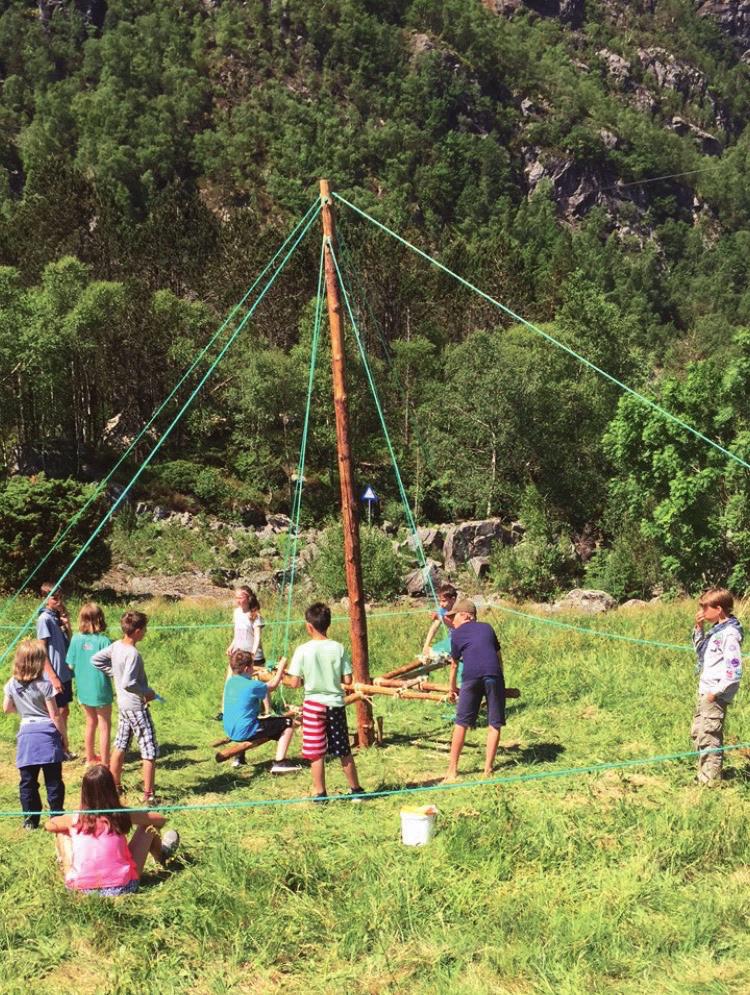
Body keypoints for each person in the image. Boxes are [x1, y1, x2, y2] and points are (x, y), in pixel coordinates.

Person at [45, 764, 179, 896]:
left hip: (78, 890)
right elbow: (159, 819)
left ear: (84, 792)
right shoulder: (120, 814)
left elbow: (50, 825)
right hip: (123, 887)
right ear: (111, 789)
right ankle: (162, 855)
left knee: (62, 832)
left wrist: (70, 826)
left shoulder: (74, 818)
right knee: (149, 826)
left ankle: (71, 870)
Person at [286, 602, 365, 801]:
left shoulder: (302, 650)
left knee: (316, 752)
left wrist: (281, 675)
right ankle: (356, 790)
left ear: (309, 626)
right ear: (328, 624)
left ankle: (320, 793)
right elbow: (347, 680)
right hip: (335, 704)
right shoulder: (338, 648)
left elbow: (294, 682)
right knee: (343, 748)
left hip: (313, 705)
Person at [92, 610, 160, 806]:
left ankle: (114, 786)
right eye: (144, 629)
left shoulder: (116, 646)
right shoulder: (132, 653)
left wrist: (114, 673)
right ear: (138, 631)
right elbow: (129, 683)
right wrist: (147, 692)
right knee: (149, 749)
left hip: (123, 705)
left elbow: (96, 660)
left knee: (121, 743)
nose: (146, 632)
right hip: (135, 706)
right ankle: (149, 796)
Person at [3, 639, 68, 830]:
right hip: (47, 733)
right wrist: (64, 736)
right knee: (53, 780)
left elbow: (6, 708)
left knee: (28, 781)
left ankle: (30, 819)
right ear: (39, 662)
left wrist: (24, 710)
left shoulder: (11, 684)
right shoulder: (45, 685)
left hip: (26, 735)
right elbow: (55, 714)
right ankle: (56, 816)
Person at [444, 599, 506, 782]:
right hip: (494, 675)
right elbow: (498, 656)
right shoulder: (487, 627)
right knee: (494, 723)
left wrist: (452, 688)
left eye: (453, 616)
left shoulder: (456, 634)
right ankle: (488, 770)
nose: (452, 621)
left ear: (465, 616)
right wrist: (499, 680)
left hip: (471, 677)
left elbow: (454, 665)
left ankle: (452, 770)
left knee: (461, 722)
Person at [691, 587, 743, 785]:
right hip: (706, 691)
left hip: (714, 694)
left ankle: (710, 781)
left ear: (718, 609)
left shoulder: (729, 634)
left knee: (710, 737)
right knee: (699, 733)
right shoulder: (717, 630)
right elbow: (701, 652)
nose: (702, 611)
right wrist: (698, 627)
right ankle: (704, 773)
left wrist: (715, 693)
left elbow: (734, 671)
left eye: (705, 608)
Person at [222, 650, 300, 773]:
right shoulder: (252, 685)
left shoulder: (231, 682)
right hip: (244, 730)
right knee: (288, 723)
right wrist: (281, 668)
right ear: (247, 668)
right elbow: (273, 685)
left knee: (256, 720)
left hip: (229, 728)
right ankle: (280, 763)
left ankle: (239, 758)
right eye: (253, 666)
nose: (254, 668)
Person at [67, 603, 113, 766]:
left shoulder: (75, 639)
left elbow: (70, 665)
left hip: (83, 688)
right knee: (104, 725)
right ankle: (106, 762)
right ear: (100, 619)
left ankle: (90, 757)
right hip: (100, 689)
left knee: (90, 721)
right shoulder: (104, 641)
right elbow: (113, 666)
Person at [36, 581, 75, 759]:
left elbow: (70, 640)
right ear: (45, 599)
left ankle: (62, 744)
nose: (59, 600)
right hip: (55, 674)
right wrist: (52, 676)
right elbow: (42, 650)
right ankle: (58, 749)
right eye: (54, 597)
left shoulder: (56, 617)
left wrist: (67, 625)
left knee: (64, 710)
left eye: (60, 596)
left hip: (64, 672)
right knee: (56, 713)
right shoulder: (44, 619)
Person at [217, 586, 264, 721]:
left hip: (252, 656)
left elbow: (257, 637)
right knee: (229, 681)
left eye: (240, 597)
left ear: (248, 598)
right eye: (236, 597)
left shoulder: (255, 616)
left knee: (259, 684)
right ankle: (224, 711)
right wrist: (231, 646)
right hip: (237, 655)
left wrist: (253, 654)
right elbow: (237, 633)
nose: (237, 600)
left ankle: (267, 710)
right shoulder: (236, 613)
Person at [421, 583, 458, 657]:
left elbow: (457, 626)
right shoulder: (442, 610)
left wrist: (440, 617)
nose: (441, 604)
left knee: (435, 649)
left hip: (462, 640)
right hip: (452, 641)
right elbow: (434, 627)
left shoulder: (460, 609)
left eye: (444, 601)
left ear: (453, 599)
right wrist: (426, 645)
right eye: (440, 601)